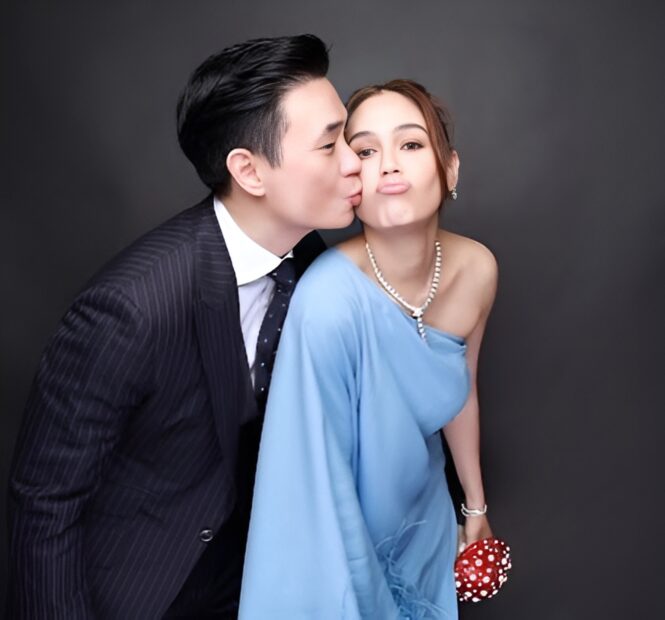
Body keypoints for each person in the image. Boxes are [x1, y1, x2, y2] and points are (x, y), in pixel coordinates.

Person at [7, 34, 361, 619]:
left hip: (257, 583)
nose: (353, 161)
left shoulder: (312, 260)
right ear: (248, 170)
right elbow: (45, 503)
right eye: (330, 145)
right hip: (145, 593)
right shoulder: (131, 308)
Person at [239, 79, 498, 619]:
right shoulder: (327, 301)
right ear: (349, 179)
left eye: (411, 144)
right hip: (342, 542)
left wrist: (474, 507)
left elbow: (461, 390)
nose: (389, 166)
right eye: (364, 151)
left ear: (450, 169)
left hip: (424, 525)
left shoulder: (476, 269)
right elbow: (317, 482)